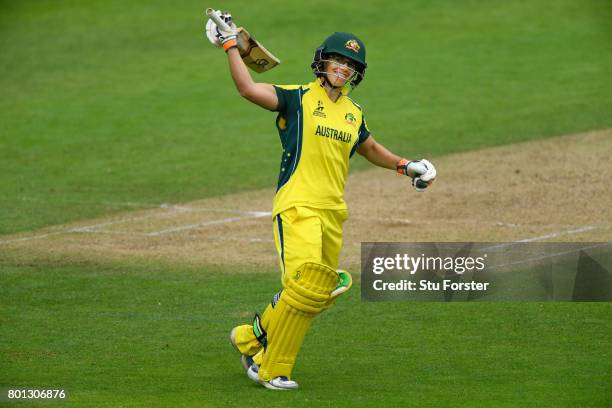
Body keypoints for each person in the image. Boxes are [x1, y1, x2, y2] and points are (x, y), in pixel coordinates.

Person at [209, 13, 437, 390]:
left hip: (333, 213)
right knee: (303, 286)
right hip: (297, 205)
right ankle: (273, 369)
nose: (344, 69)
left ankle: (250, 340)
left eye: (351, 65)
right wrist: (231, 45)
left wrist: (405, 165)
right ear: (322, 62)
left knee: (317, 296)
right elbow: (249, 89)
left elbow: (370, 148)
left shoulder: (353, 113)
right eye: (338, 60)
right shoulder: (296, 99)